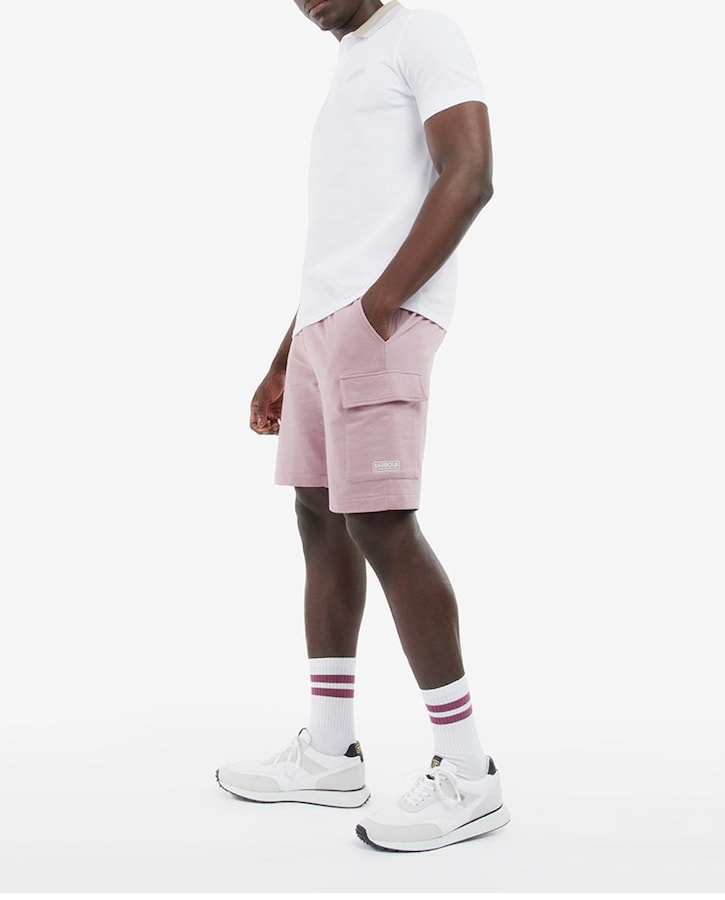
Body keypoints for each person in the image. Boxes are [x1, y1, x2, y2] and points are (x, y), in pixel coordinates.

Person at [216, 0, 510, 853]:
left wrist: (379, 308)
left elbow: (470, 173)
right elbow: (344, 235)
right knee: (318, 517)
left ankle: (468, 774)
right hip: (323, 327)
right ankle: (329, 751)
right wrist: (286, 354)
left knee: (381, 522)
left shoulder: (423, 33)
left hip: (376, 324)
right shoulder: (355, 60)